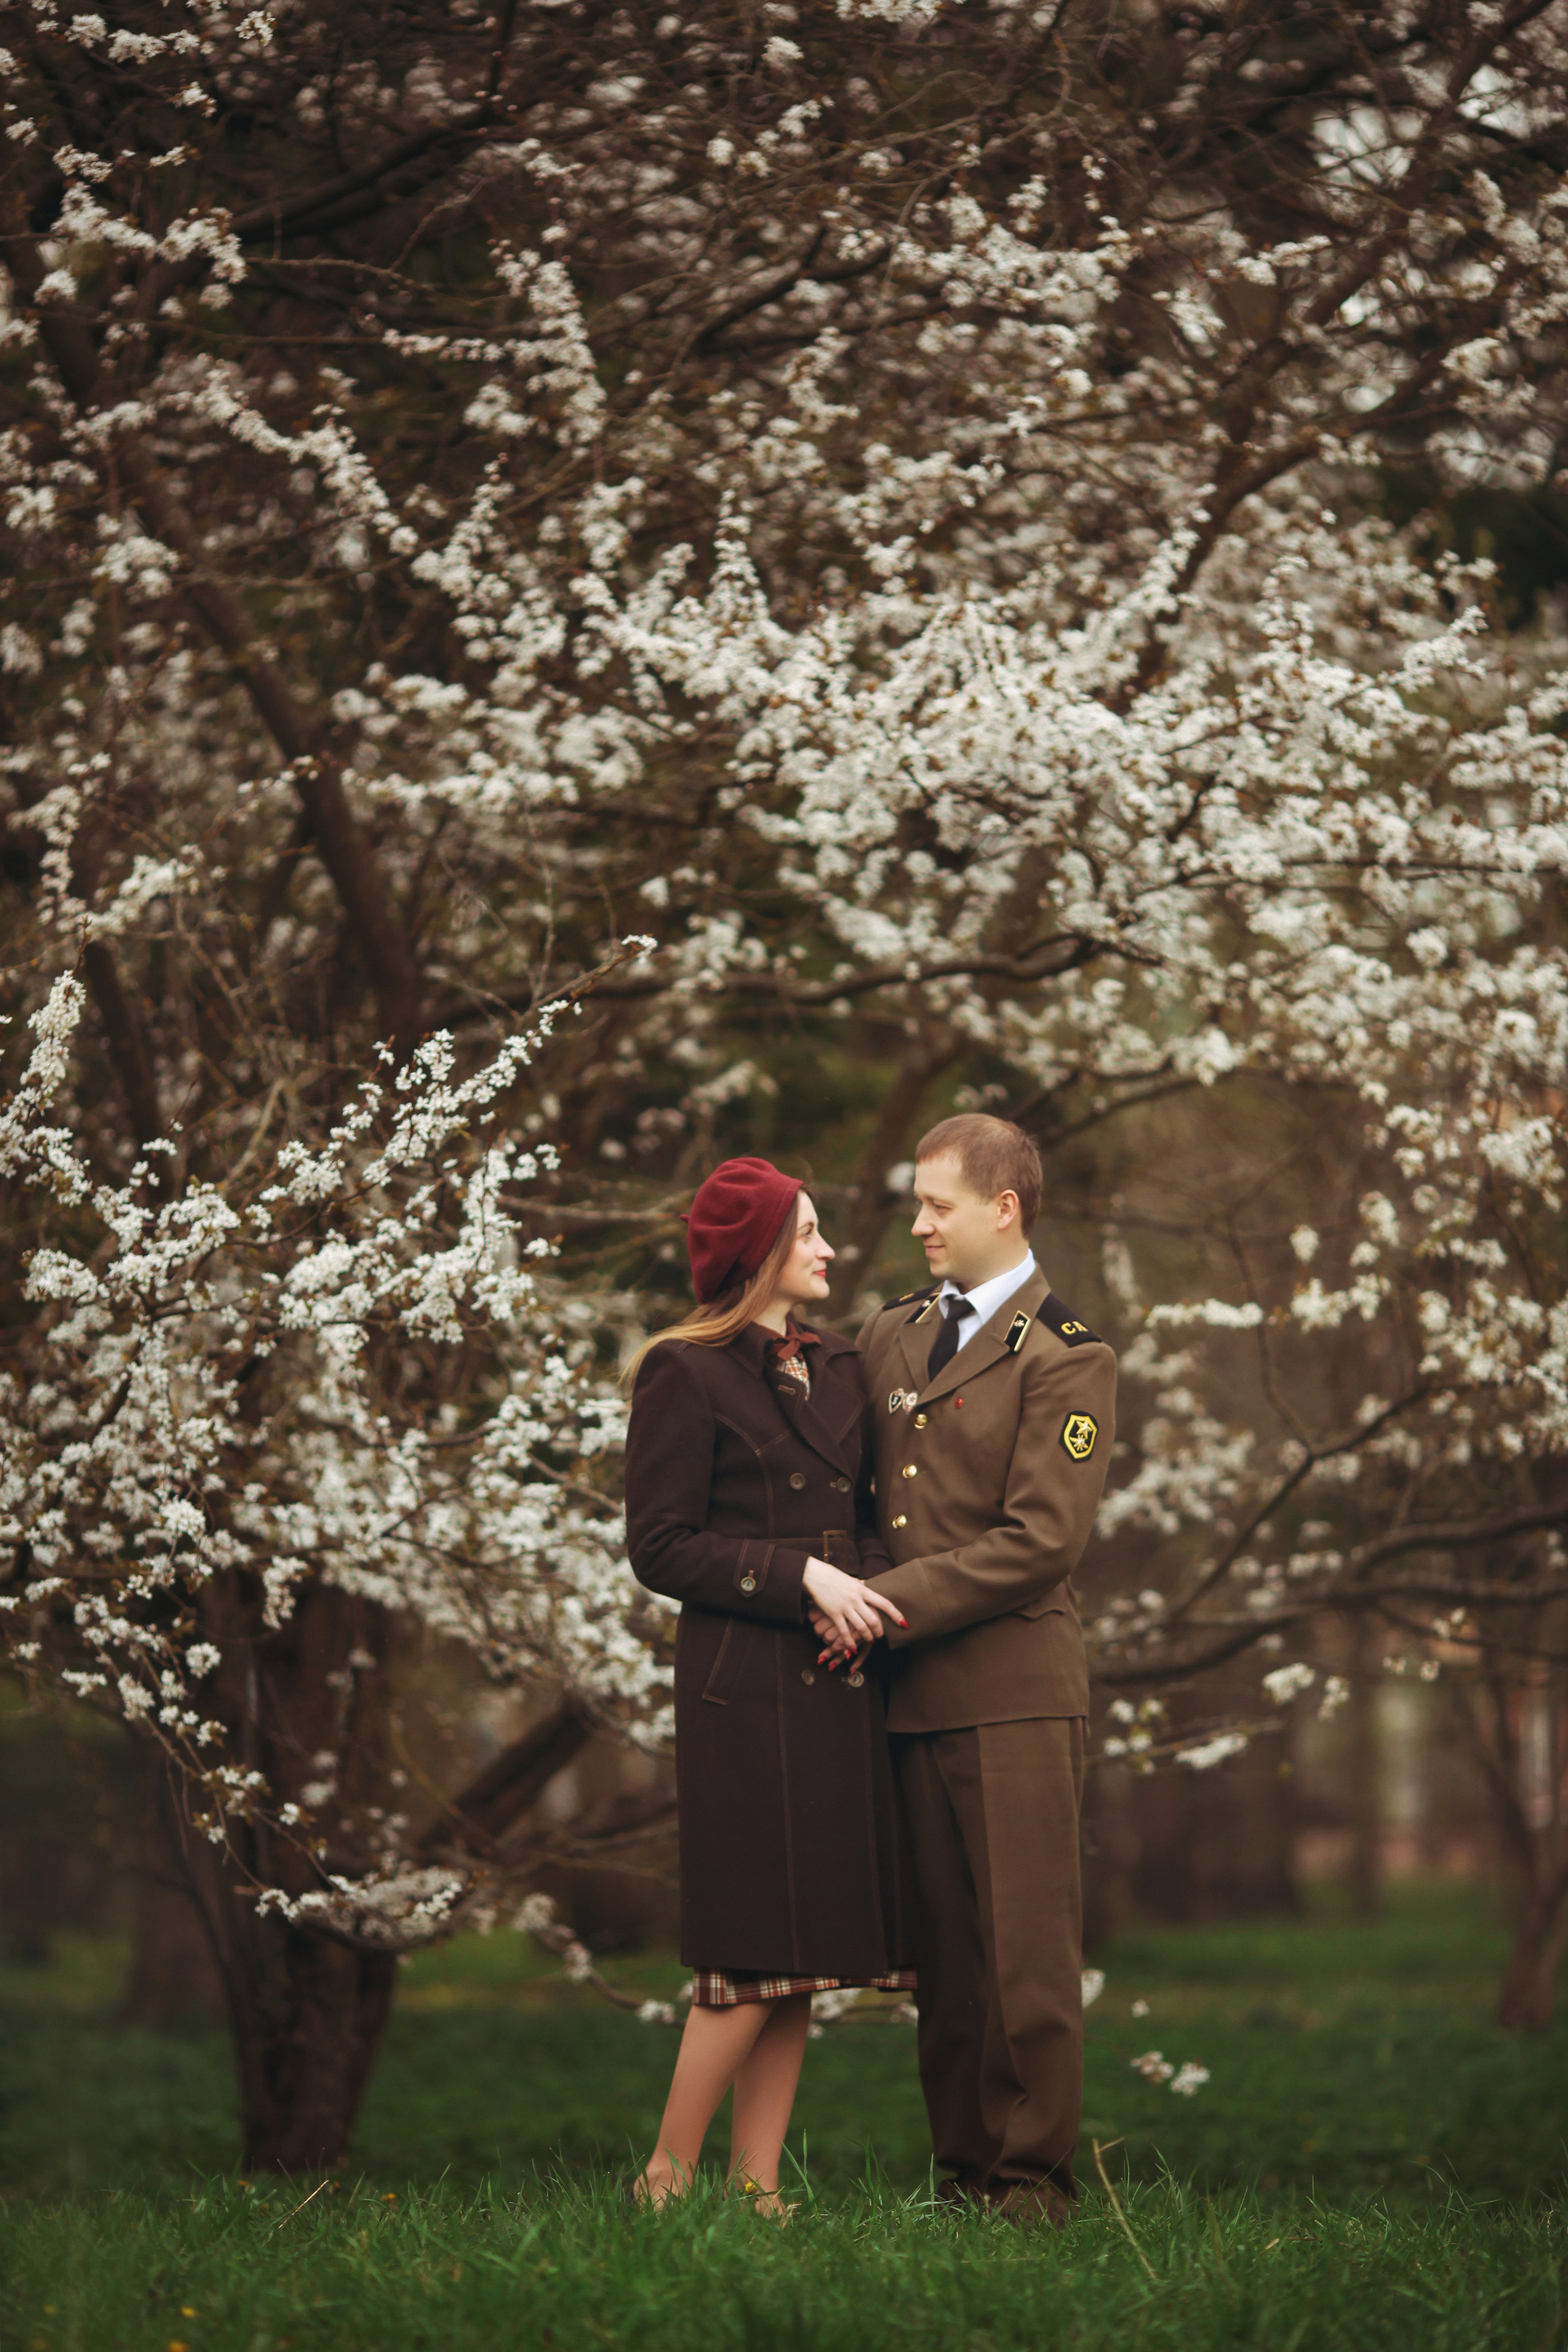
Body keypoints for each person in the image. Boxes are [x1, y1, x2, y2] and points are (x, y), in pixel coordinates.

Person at [818, 1113, 1117, 2226]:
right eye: (916, 1202)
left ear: (1005, 1207)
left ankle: (1031, 2189)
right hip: (910, 1699)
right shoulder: (888, 1334)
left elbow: (1042, 1541)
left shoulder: (1069, 1355)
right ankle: (962, 2181)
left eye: (938, 1204)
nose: (920, 1224)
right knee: (944, 1964)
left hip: (1014, 1696)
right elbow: (852, 1498)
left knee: (1025, 1960)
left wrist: (880, 1606)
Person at [624, 1156, 912, 2216]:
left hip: (836, 1678)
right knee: (748, 1956)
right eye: (808, 1233)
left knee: (803, 1959)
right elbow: (660, 1546)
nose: (829, 1249)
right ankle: (664, 2179)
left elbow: (870, 1514)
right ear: (758, 1253)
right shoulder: (682, 1371)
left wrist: (861, 1600)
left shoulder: (841, 1365)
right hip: (743, 1695)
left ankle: (757, 2190)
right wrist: (802, 1584)